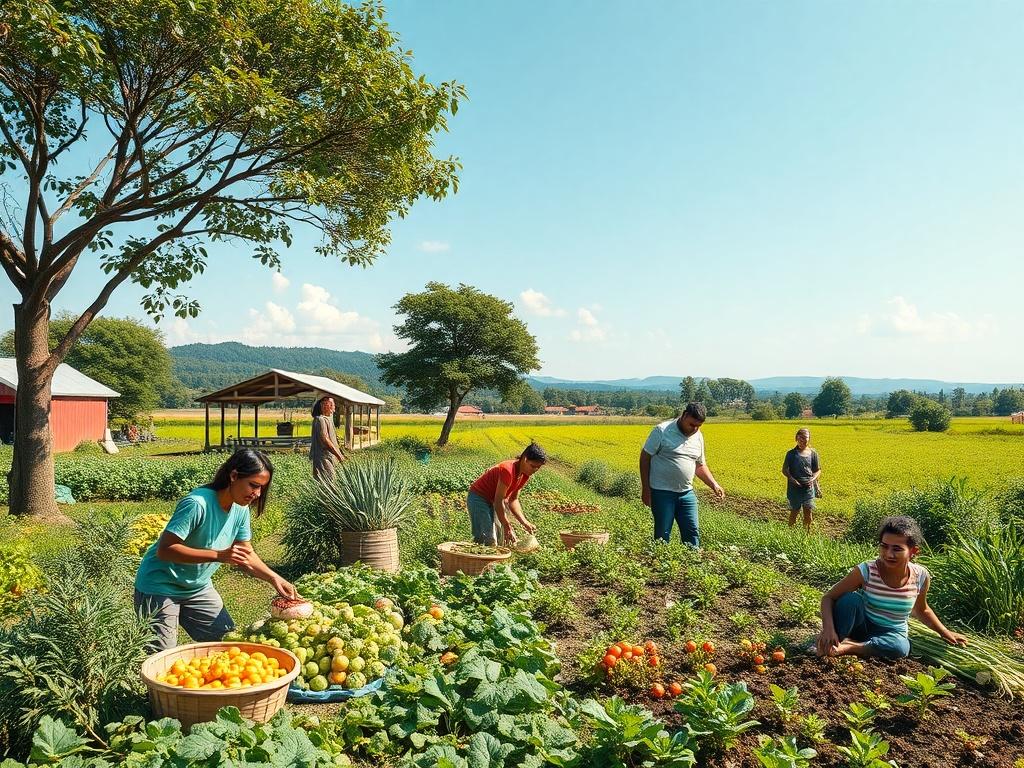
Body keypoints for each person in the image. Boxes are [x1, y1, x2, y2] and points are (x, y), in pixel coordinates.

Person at [134, 449, 298, 651]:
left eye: (262, 488)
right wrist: (219, 556)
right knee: (161, 657)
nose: (257, 494)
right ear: (234, 476)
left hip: (197, 588)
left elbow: (245, 554)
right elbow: (165, 550)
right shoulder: (197, 504)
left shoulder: (240, 509)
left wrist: (274, 578)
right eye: (253, 485)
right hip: (159, 587)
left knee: (229, 644)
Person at [816, 515, 967, 659]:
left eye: (897, 549)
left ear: (913, 552)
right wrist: (828, 629)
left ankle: (850, 647)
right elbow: (828, 597)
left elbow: (922, 610)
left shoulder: (921, 576)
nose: (888, 554)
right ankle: (834, 642)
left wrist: (945, 632)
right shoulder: (867, 571)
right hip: (861, 624)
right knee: (850, 600)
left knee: (901, 648)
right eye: (884, 546)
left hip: (891, 633)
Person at [640, 402, 725, 547]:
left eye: (699, 426)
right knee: (662, 534)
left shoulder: (698, 436)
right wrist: (646, 489)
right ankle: (661, 564)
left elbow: (700, 465)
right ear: (684, 415)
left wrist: (714, 484)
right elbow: (645, 458)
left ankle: (692, 565)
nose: (695, 429)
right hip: (662, 492)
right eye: (692, 424)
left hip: (686, 493)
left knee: (692, 532)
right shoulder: (662, 430)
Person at [467, 443, 546, 546]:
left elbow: (513, 499)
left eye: (538, 467)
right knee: (488, 539)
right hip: (478, 498)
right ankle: (475, 560)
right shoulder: (508, 470)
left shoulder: (524, 475)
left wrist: (525, 522)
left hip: (492, 501)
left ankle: (494, 560)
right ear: (525, 459)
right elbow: (498, 501)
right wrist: (506, 524)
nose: (534, 470)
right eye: (533, 466)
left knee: (501, 539)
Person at [782, 427, 820, 531]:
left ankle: (807, 535)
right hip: (794, 488)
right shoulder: (790, 454)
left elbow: (818, 470)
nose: (803, 440)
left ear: (809, 439)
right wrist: (792, 479)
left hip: (808, 488)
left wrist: (813, 479)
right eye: (801, 438)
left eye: (805, 438)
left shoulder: (813, 454)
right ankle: (791, 535)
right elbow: (784, 470)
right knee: (794, 512)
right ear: (796, 438)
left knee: (808, 512)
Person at [310, 396, 345, 482]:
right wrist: (339, 455)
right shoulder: (320, 420)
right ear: (325, 405)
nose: (334, 408)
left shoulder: (327, 419)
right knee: (328, 483)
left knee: (330, 482)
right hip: (323, 458)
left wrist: (340, 453)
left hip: (328, 458)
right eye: (332, 405)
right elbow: (325, 439)